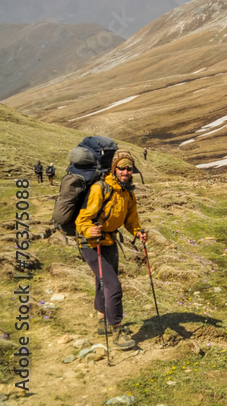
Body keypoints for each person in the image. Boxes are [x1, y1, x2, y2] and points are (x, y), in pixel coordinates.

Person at [75, 150, 149, 350]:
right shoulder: (101, 188)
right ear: (114, 169)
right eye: (122, 168)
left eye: (129, 168)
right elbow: (82, 218)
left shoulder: (128, 192)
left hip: (109, 241)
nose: (125, 171)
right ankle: (117, 329)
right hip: (90, 242)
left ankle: (102, 320)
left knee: (104, 281)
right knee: (113, 286)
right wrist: (89, 230)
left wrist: (138, 232)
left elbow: (131, 220)